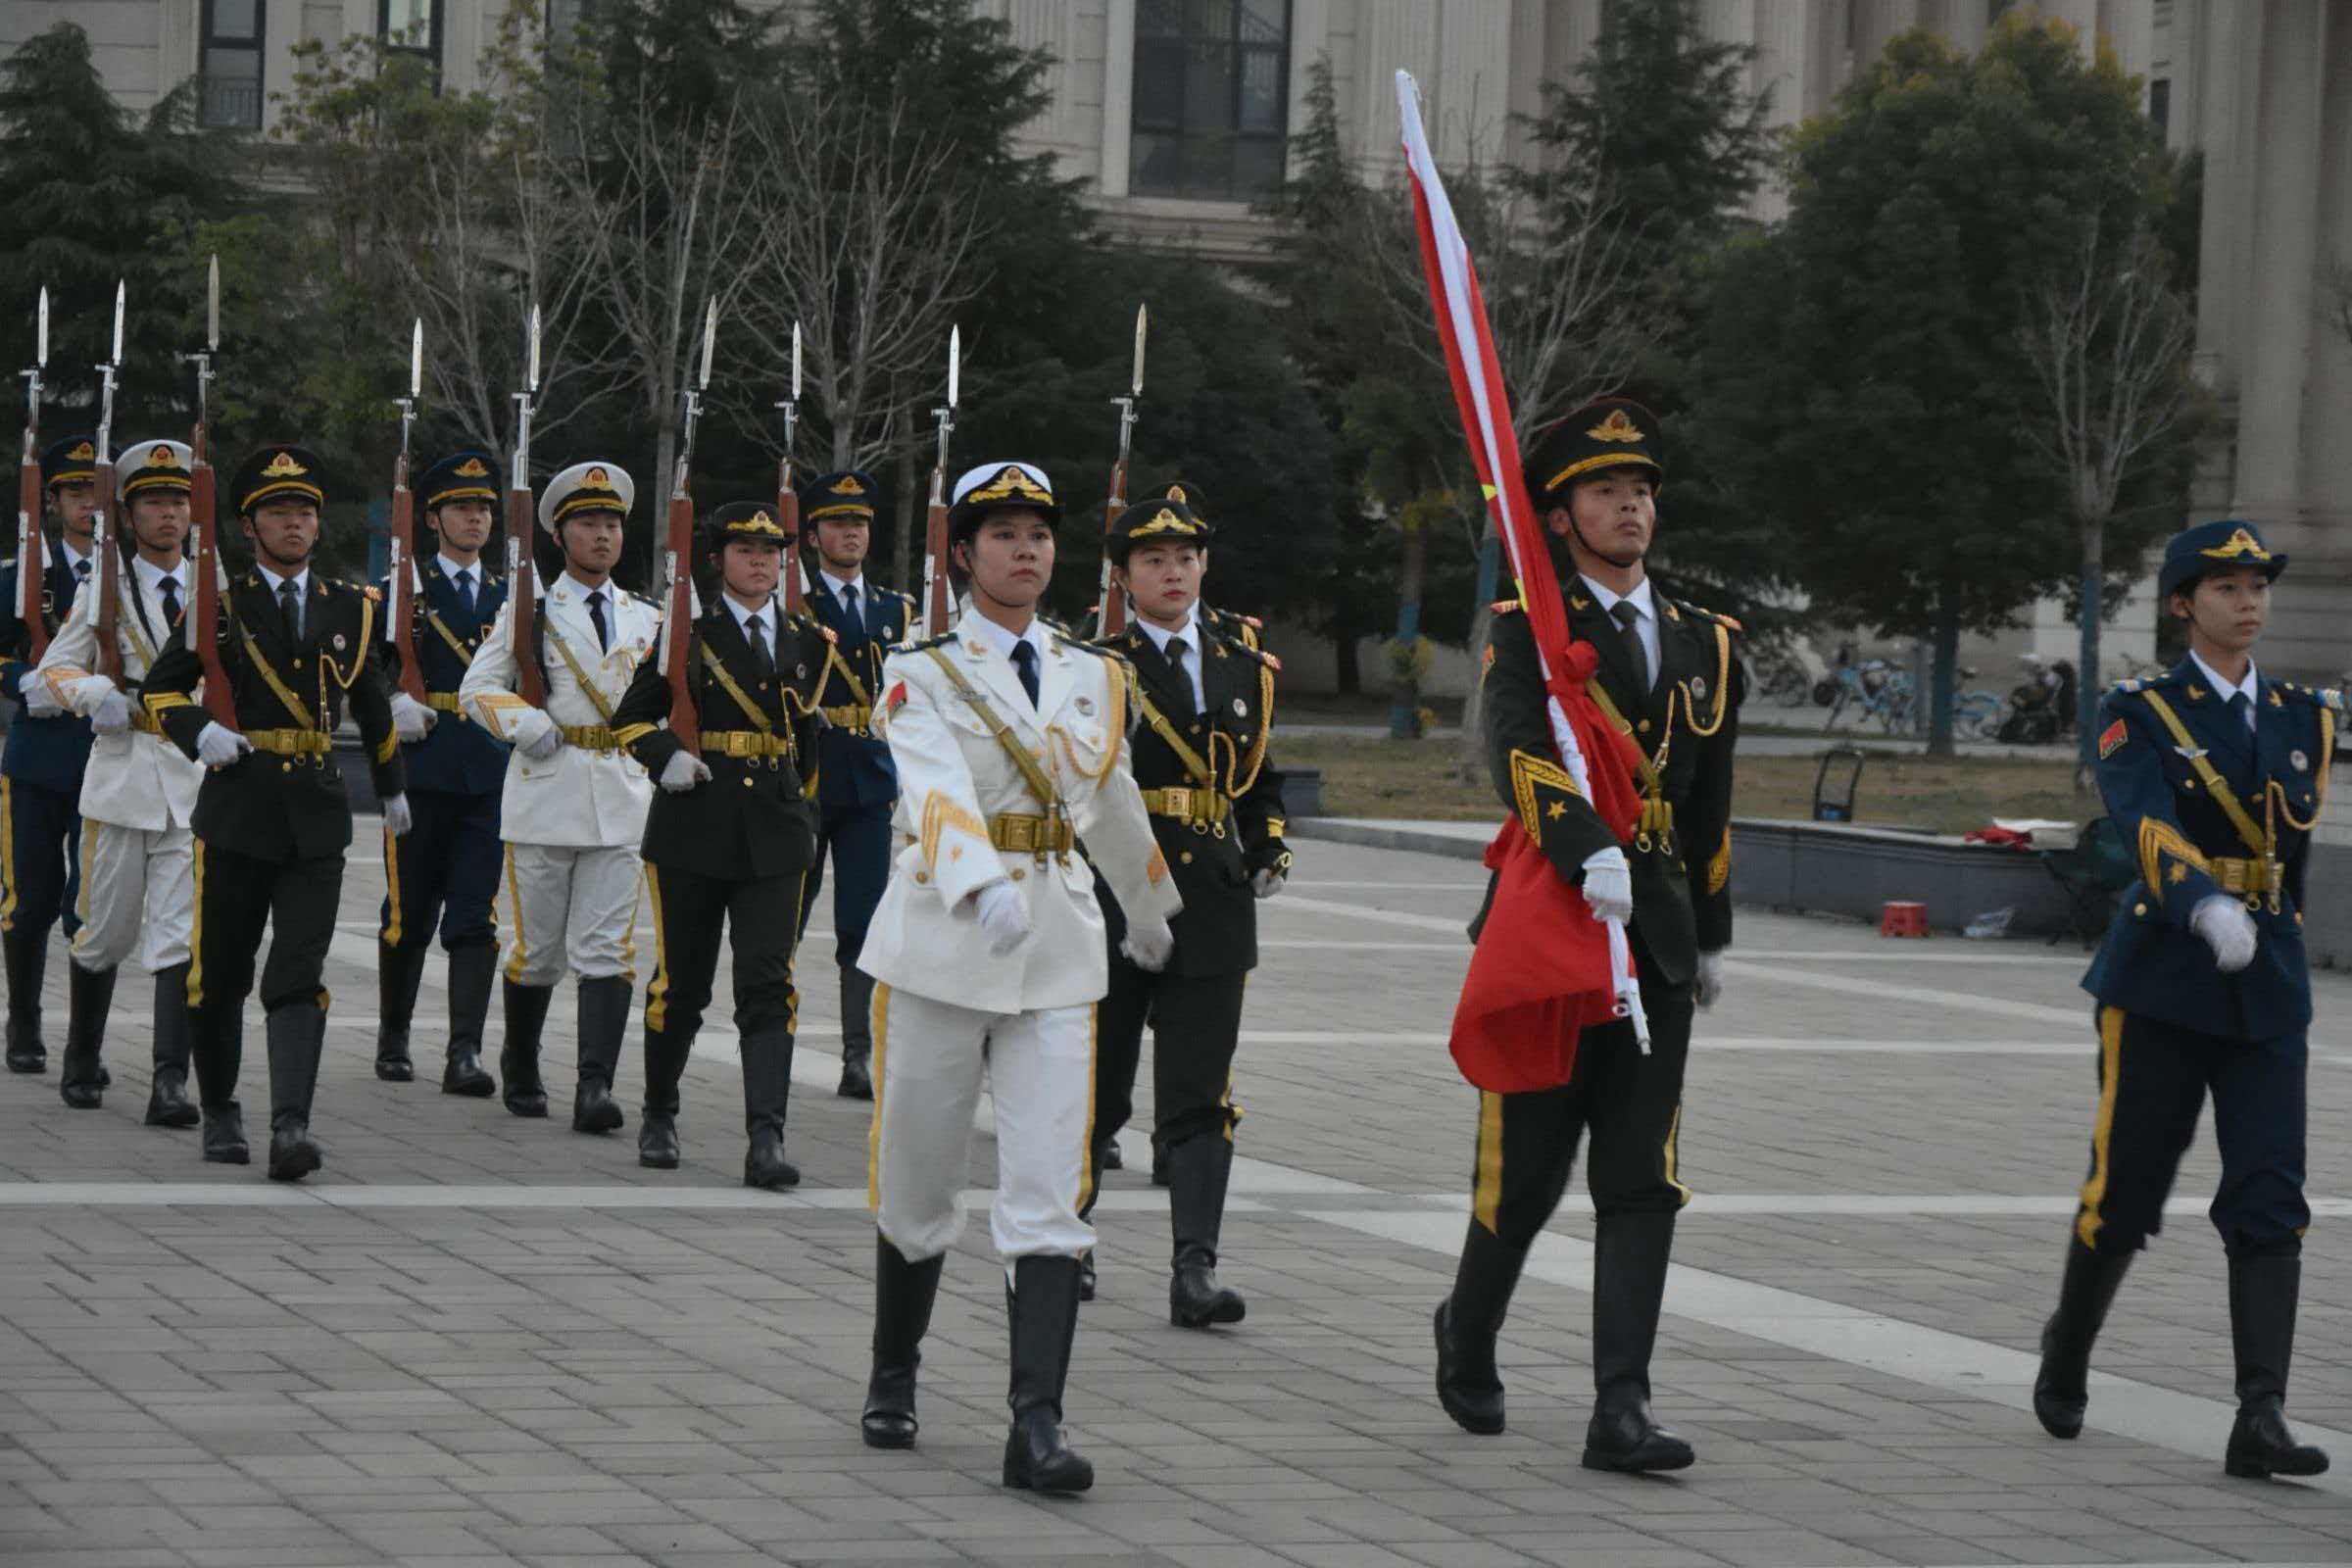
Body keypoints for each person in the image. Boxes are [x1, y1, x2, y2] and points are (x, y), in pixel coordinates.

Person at [855, 460, 1180, 1494]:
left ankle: (1037, 1422)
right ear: (963, 554)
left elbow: (1112, 797)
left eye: (1038, 533)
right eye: (1002, 534)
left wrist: (1150, 908)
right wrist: (976, 880)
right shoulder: (921, 669)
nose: (1025, 549)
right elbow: (932, 784)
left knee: (1048, 1189)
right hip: (944, 942)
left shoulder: (1093, 673)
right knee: (919, 1180)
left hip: (1055, 949)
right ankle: (894, 1368)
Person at [1431, 398, 1740, 1472]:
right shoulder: (1529, 625)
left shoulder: (1706, 643)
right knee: (1526, 1172)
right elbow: (1519, 752)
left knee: (1641, 1173)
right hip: (1557, 923)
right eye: (1606, 491)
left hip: (1654, 936)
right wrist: (1583, 848)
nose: (1630, 507)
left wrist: (1709, 932)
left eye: (1641, 490)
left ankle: (1622, 1408)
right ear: (1560, 516)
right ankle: (1468, 1329)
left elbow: (1709, 803)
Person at [2034, 519, 2335, 1480]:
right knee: (2125, 1194)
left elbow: (2292, 848)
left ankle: (2261, 1415)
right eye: (2226, 587)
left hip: (2268, 981)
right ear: (2182, 604)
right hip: (2164, 979)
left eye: (2258, 587)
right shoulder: (2142, 712)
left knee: (2271, 1195)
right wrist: (2203, 903)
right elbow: (2145, 822)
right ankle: (2068, 1346)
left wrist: (2262, 921)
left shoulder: (2302, 716)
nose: (2249, 602)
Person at [142, 444, 412, 1178]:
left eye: (304, 512)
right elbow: (160, 691)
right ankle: (221, 1109)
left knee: (298, 971)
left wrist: (392, 786)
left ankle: (291, 1125)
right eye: (278, 512)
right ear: (249, 526)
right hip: (237, 807)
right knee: (220, 974)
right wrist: (200, 731)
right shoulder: (219, 606)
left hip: (316, 815)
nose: (293, 523)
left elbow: (372, 705)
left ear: (319, 525)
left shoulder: (351, 608)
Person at [1084, 495, 1291, 1324]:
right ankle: (1066, 1243)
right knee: (1095, 1087)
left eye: (1186, 558)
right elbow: (1084, 786)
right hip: (1117, 894)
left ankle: (1195, 1271)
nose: (1173, 572)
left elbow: (1259, 779)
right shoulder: (1097, 666)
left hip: (1213, 903)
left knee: (1202, 1094)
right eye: (1153, 560)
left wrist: (1268, 845)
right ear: (1123, 576)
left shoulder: (1244, 663)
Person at [610, 501, 829, 1187]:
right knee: (683, 985)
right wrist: (666, 756)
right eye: (745, 550)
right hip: (695, 824)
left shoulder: (808, 640)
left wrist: (805, 815)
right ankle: (659, 1113)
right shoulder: (685, 635)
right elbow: (630, 719)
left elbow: (808, 741)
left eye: (770, 552)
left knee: (769, 985)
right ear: (717, 560)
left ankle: (767, 1140)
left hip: (776, 831)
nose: (761, 562)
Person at [459, 461, 657, 1131]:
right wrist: (525, 724)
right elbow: (476, 689)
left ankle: (594, 1087)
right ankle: (521, 1060)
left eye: (611, 524)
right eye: (587, 523)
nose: (602, 536)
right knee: (539, 950)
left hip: (623, 796)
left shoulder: (646, 617)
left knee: (608, 950)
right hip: (547, 792)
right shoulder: (530, 612)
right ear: (559, 535)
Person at [34, 438, 203, 1120]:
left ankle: (169, 1081)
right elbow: (55, 668)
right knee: (104, 931)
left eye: (179, 501)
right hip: (123, 778)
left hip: (192, 784)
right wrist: (92, 693)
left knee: (180, 935)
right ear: (129, 516)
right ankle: (82, 1055)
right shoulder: (104, 587)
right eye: (154, 502)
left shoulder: (216, 590)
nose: (169, 514)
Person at [374, 451, 509, 1096]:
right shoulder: (404, 590)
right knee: (409, 913)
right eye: (461, 507)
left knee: (475, 917)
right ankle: (394, 1036)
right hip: (420, 770)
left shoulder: (512, 596)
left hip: (488, 772)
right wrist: (390, 700)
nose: (475, 518)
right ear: (432, 519)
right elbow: (363, 666)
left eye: (483, 508)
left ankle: (465, 1053)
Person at [795, 469, 911, 1101]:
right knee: (787, 914)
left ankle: (858, 1056)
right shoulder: (794, 602)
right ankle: (775, 1032)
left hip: (870, 780)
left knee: (863, 923)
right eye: (839, 523)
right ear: (814, 535)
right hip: (808, 776)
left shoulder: (897, 609)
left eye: (860, 523)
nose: (852, 533)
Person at [0, 434, 101, 1075]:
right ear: (55, 502)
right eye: (75, 492)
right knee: (30, 898)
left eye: (97, 492)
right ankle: (25, 1022)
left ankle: (84, 1042)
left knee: (91, 905)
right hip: (37, 759)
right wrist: (22, 683)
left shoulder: (129, 579)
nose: (88, 504)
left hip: (104, 760)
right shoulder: (21, 576)